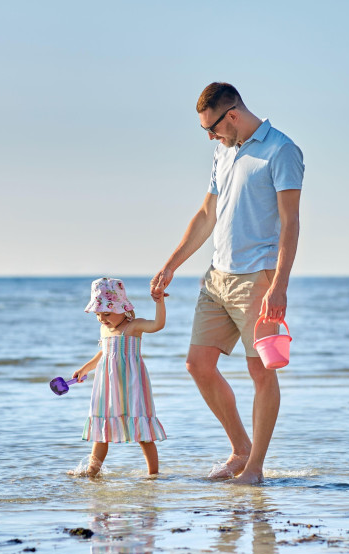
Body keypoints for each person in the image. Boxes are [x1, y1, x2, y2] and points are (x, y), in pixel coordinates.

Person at [150, 82, 304, 485]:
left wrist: (280, 286)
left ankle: (255, 468)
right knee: (198, 365)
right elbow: (206, 214)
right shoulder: (224, 151)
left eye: (212, 129)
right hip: (216, 277)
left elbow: (291, 223)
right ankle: (240, 449)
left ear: (231, 115)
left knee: (261, 374)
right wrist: (171, 265)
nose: (210, 137)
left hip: (258, 278)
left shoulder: (281, 151)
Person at [70, 277, 167, 477]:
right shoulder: (104, 329)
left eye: (106, 313)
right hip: (107, 385)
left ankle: (153, 475)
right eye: (98, 314)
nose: (102, 318)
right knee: (101, 431)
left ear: (123, 308)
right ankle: (91, 472)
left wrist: (160, 303)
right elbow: (103, 354)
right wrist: (85, 368)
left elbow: (158, 324)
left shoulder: (134, 326)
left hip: (133, 384)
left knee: (143, 431)